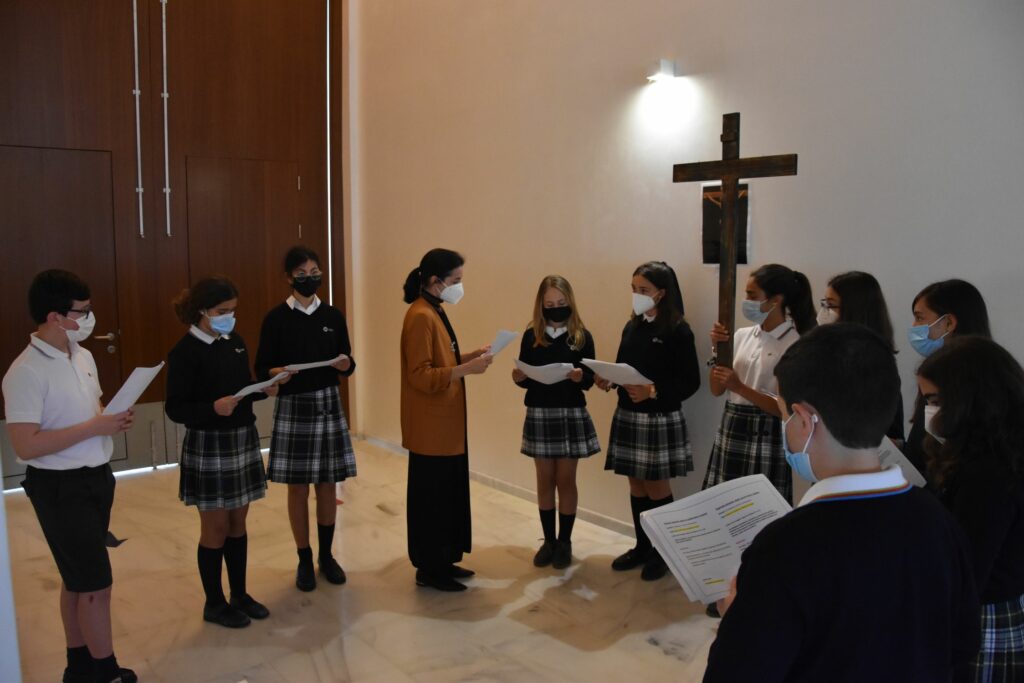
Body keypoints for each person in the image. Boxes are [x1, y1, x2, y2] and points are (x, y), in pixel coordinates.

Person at [704, 324, 980, 682]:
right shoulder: (938, 519)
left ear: (804, 420)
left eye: (785, 413)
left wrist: (735, 617)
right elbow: (962, 645)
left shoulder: (785, 545)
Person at [2, 270, 137, 683]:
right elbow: (26, 446)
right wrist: (94, 428)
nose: (90, 318)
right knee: (96, 584)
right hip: (60, 488)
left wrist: (108, 420)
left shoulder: (82, 355)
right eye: (83, 312)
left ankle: (79, 666)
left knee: (77, 580)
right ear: (54, 317)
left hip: (95, 476)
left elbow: (87, 414)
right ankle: (106, 672)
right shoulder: (24, 372)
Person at [165, 277, 274, 629]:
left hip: (241, 437)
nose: (229, 317)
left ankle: (239, 594)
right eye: (221, 312)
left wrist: (265, 389)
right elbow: (176, 408)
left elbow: (240, 389)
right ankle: (215, 602)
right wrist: (213, 407)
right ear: (201, 312)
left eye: (232, 311)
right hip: (209, 443)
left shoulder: (234, 341)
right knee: (214, 526)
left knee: (238, 523)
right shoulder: (185, 352)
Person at [917, 336, 1024, 680]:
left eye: (934, 400)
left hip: (983, 620)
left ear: (969, 400)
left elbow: (968, 569)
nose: (928, 412)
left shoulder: (989, 472)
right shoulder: (991, 452)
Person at [255, 246, 356, 592]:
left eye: (315, 270)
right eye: (301, 273)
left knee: (327, 483)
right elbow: (262, 367)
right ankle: (303, 557)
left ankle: (326, 556)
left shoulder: (333, 316)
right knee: (297, 487)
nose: (310, 277)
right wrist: (276, 373)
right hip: (294, 406)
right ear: (288, 277)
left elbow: (349, 362)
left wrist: (345, 364)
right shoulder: (276, 319)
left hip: (328, 402)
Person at [597, 261, 700, 581]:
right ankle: (642, 546)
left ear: (662, 293)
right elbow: (624, 365)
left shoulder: (678, 329)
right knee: (636, 483)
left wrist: (653, 391)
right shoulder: (633, 326)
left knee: (657, 487)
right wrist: (609, 379)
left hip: (659, 418)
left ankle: (662, 552)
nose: (637, 296)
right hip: (629, 415)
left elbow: (690, 381)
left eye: (644, 290)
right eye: (633, 289)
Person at [400, 248, 492, 591]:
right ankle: (430, 567)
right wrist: (466, 368)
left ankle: (445, 559)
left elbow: (444, 360)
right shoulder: (420, 315)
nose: (459, 288)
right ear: (436, 281)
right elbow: (420, 376)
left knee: (448, 494)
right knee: (432, 498)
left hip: (447, 425)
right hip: (431, 427)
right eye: (456, 281)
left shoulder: (434, 309)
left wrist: (472, 356)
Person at [703, 264, 816, 505]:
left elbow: (786, 409)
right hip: (732, 423)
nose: (747, 301)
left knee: (759, 508)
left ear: (776, 300)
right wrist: (717, 351)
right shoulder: (742, 335)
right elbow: (717, 390)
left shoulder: (795, 343)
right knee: (724, 505)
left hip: (767, 432)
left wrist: (740, 387)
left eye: (752, 296)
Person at [512, 275, 600, 570]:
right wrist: (518, 377)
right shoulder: (531, 335)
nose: (555, 308)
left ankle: (565, 541)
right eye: (549, 304)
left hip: (570, 412)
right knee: (544, 479)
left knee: (566, 479)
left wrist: (580, 376)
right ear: (541, 305)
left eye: (561, 303)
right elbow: (524, 374)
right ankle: (548, 541)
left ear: (570, 302)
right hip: (540, 411)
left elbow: (591, 377)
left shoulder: (582, 337)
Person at [904, 279, 991, 477]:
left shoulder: (970, 380)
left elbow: (954, 450)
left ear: (949, 323)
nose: (913, 326)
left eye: (919, 318)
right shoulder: (934, 373)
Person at [818, 270, 904, 446]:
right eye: (824, 304)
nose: (824, 312)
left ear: (854, 310)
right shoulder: (826, 352)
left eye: (831, 305)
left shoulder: (875, 362)